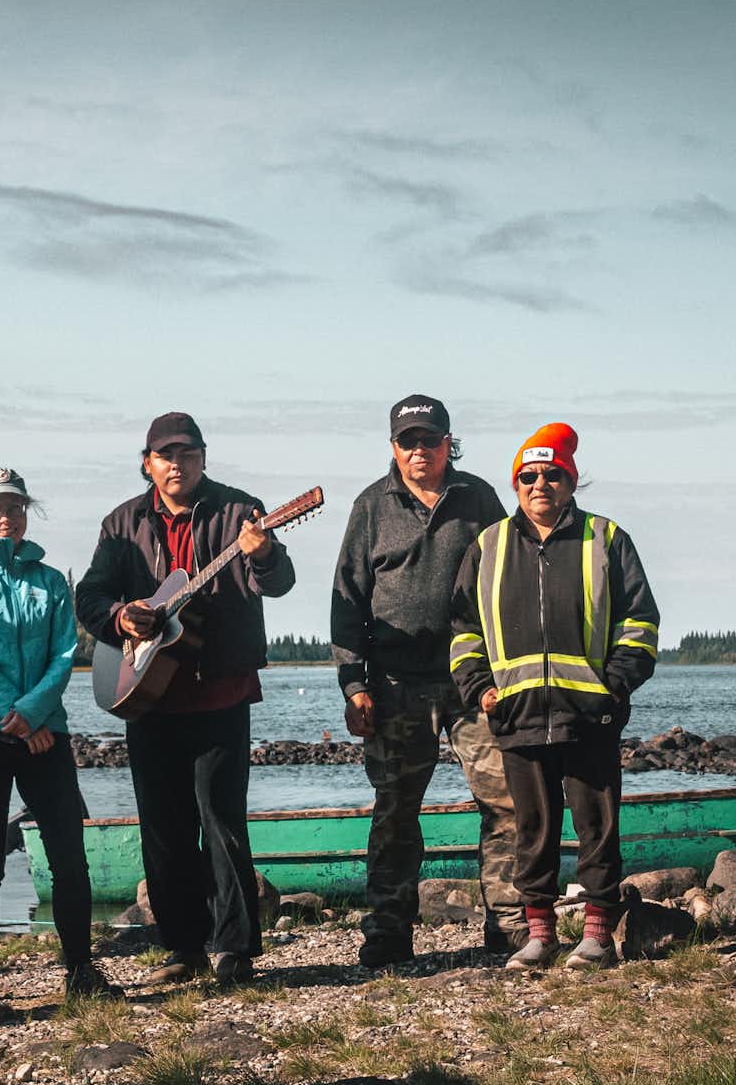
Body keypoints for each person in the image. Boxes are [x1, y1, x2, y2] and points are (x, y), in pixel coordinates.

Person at [75, 412, 294, 988]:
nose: (178, 464)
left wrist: (264, 553)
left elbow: (278, 582)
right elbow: (91, 596)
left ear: (204, 457)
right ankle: (182, 948)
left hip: (220, 689)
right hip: (148, 695)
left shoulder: (240, 510)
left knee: (221, 822)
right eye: (166, 455)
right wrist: (123, 616)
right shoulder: (121, 523)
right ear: (146, 463)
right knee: (163, 828)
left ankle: (234, 949)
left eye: (188, 453)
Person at [448, 422, 660, 971]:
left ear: (570, 482)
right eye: (528, 476)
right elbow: (463, 629)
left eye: (552, 475)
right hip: (516, 717)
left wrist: (612, 687)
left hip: (589, 717)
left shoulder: (607, 539)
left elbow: (640, 622)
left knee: (597, 827)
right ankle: (539, 937)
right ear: (515, 485)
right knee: (531, 832)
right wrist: (479, 690)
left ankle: (597, 935)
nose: (539, 484)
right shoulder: (487, 546)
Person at [328, 394, 519, 969]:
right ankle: (387, 932)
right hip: (392, 685)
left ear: (447, 443)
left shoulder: (479, 499)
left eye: (429, 440)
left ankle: (509, 925)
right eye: (407, 441)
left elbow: (508, 581)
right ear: (393, 447)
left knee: (506, 803)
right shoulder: (370, 507)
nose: (419, 451)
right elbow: (347, 602)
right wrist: (352, 684)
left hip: (473, 682)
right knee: (394, 810)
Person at [0, 466, 114, 1022]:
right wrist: (17, 715)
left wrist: (34, 714)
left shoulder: (49, 581)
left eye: (16, 506)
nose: (8, 516)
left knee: (68, 856)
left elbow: (65, 654)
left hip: (45, 736)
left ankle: (81, 970)